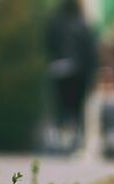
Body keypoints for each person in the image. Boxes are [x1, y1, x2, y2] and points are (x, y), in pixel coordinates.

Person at [45, 0, 98, 153]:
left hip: (58, 69)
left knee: (61, 107)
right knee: (76, 108)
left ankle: (61, 138)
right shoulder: (83, 26)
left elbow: (48, 44)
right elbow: (91, 54)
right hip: (79, 72)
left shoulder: (54, 23)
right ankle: (75, 140)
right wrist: (91, 77)